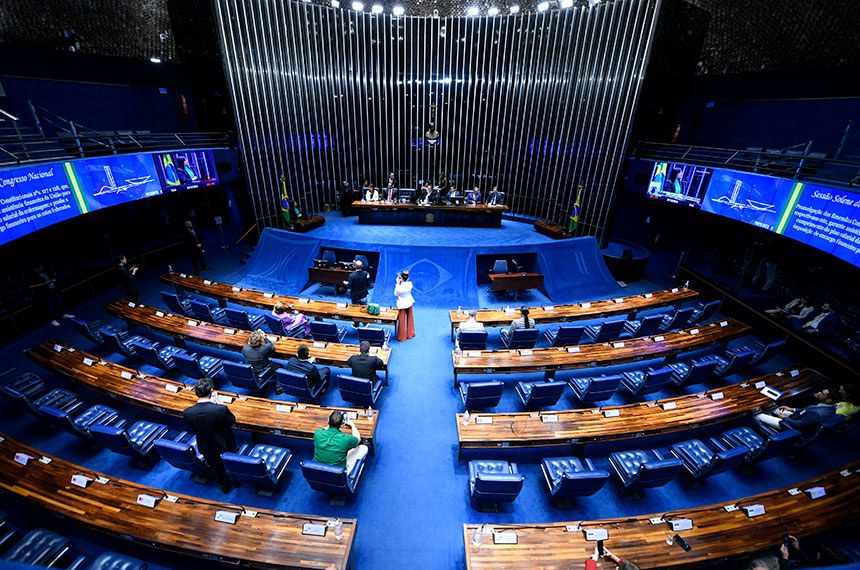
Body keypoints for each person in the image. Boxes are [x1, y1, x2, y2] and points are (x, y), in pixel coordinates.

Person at [182, 377, 238, 493]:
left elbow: (191, 428)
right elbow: (231, 421)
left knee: (216, 468)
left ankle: (225, 487)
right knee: (232, 463)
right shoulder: (220, 409)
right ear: (211, 391)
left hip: (206, 445)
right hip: (225, 443)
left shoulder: (188, 412)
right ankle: (236, 482)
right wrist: (220, 404)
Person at [753, 387, 836, 434]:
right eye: (821, 391)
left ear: (828, 400)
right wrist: (793, 409)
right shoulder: (831, 408)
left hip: (788, 425)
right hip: (797, 416)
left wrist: (783, 418)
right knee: (776, 409)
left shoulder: (817, 414)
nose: (818, 393)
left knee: (757, 416)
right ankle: (769, 419)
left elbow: (798, 425)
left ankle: (771, 433)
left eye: (822, 394)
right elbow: (806, 410)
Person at [393, 270, 415, 342]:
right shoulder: (410, 284)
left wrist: (397, 283)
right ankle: (410, 333)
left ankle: (402, 337)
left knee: (402, 320)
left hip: (402, 304)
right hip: (409, 302)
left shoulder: (399, 288)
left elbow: (395, 294)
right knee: (410, 318)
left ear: (401, 278)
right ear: (408, 278)